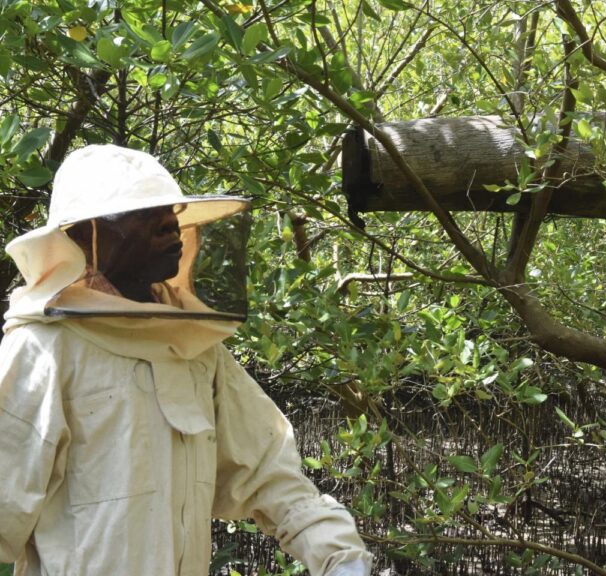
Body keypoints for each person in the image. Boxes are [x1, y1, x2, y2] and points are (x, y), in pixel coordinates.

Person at [0, 144, 373, 576]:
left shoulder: (193, 347)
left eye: (171, 212)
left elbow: (271, 473)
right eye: (142, 213)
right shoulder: (43, 348)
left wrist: (340, 558)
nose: (170, 226)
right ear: (86, 233)